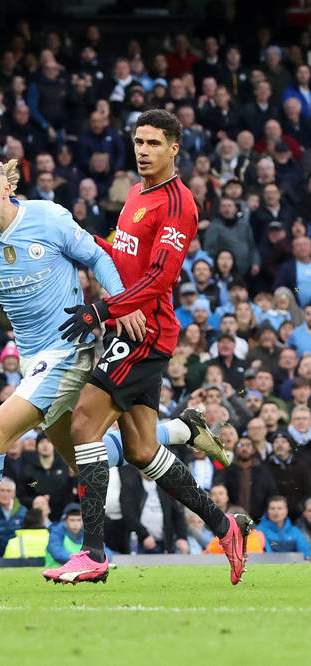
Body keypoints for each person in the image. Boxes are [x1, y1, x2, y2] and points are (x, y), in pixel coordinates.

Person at [0, 154, 224, 554]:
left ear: (7, 189)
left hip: (69, 350)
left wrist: (122, 302)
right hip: (32, 359)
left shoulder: (48, 218)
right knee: (84, 460)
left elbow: (97, 255)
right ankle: (181, 430)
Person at [44, 109, 253, 585]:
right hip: (128, 329)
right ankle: (225, 527)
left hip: (145, 334)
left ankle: (93, 552)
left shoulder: (179, 204)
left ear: (174, 148)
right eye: (138, 141)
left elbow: (161, 277)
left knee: (82, 424)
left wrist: (103, 311)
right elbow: (122, 257)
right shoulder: (136, 194)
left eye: (153, 143)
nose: (142, 150)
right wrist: (74, 239)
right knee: (140, 448)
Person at [45, 503, 84, 567]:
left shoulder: (86, 533)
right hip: (54, 573)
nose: (76, 524)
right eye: (72, 520)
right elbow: (58, 554)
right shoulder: (56, 532)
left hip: (78, 571)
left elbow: (102, 551)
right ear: (65, 521)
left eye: (79, 520)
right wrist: (82, 561)